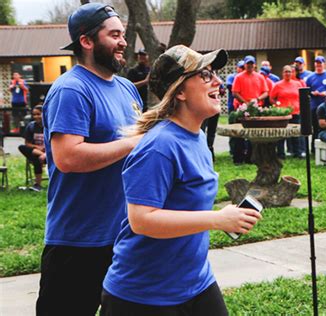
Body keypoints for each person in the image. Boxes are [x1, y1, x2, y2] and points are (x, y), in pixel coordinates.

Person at [101, 45, 262, 315]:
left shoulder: (197, 137)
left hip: (195, 281)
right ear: (181, 92)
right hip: (144, 295)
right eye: (206, 75)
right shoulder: (160, 146)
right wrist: (217, 219)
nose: (219, 82)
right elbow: (141, 220)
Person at [36, 4, 143, 315]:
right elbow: (68, 157)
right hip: (78, 242)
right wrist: (134, 142)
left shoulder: (126, 89)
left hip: (124, 237)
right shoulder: (71, 89)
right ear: (86, 41)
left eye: (123, 34)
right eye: (114, 35)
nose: (123, 41)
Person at [232, 55, 268, 164]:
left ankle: (252, 158)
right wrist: (245, 102)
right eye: (248, 64)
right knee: (239, 134)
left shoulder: (260, 77)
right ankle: (238, 158)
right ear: (245, 65)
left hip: (256, 108)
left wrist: (257, 99)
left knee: (254, 135)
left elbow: (265, 92)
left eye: (252, 64)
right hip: (242, 108)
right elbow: (235, 92)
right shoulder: (239, 77)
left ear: (254, 65)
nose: (250, 66)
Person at [305, 55, 326, 153]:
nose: (318, 65)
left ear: (324, 64)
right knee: (316, 127)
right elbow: (306, 91)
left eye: (320, 63)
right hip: (315, 106)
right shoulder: (310, 77)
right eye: (317, 63)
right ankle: (314, 149)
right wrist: (313, 93)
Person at [270, 65, 305, 159]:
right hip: (283, 114)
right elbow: (272, 98)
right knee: (282, 134)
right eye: (286, 72)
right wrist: (277, 105)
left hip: (295, 112)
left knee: (295, 133)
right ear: (283, 73)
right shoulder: (278, 85)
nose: (288, 73)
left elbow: (301, 97)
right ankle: (281, 154)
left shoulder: (297, 84)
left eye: (289, 72)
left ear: (292, 73)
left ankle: (297, 153)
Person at [18, 105, 46, 191]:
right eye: (34, 114)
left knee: (36, 158)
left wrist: (45, 153)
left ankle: (37, 184)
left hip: (50, 153)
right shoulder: (31, 126)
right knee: (22, 147)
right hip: (37, 152)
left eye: (38, 114)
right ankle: (38, 185)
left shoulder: (50, 125)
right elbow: (27, 143)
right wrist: (37, 148)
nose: (36, 117)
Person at [226, 60, 244, 156]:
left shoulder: (245, 78)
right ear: (237, 68)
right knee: (233, 129)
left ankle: (242, 150)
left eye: (243, 68)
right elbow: (229, 86)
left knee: (243, 129)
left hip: (243, 108)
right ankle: (233, 150)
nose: (241, 70)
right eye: (240, 67)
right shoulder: (232, 77)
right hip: (233, 107)